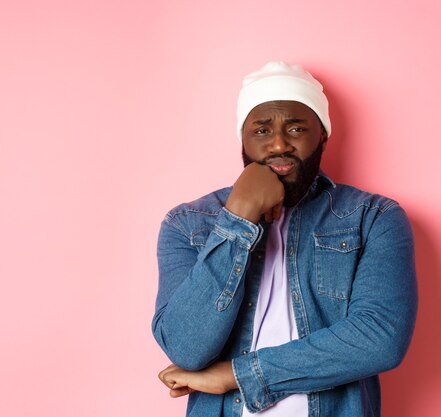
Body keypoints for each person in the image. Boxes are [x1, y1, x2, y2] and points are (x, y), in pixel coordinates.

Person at [152, 61, 418, 417]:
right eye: (261, 131)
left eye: (296, 128)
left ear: (322, 134)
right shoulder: (187, 224)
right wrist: (238, 217)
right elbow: (186, 347)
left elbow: (380, 338)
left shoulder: (372, 217)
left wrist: (237, 375)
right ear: (242, 138)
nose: (279, 143)